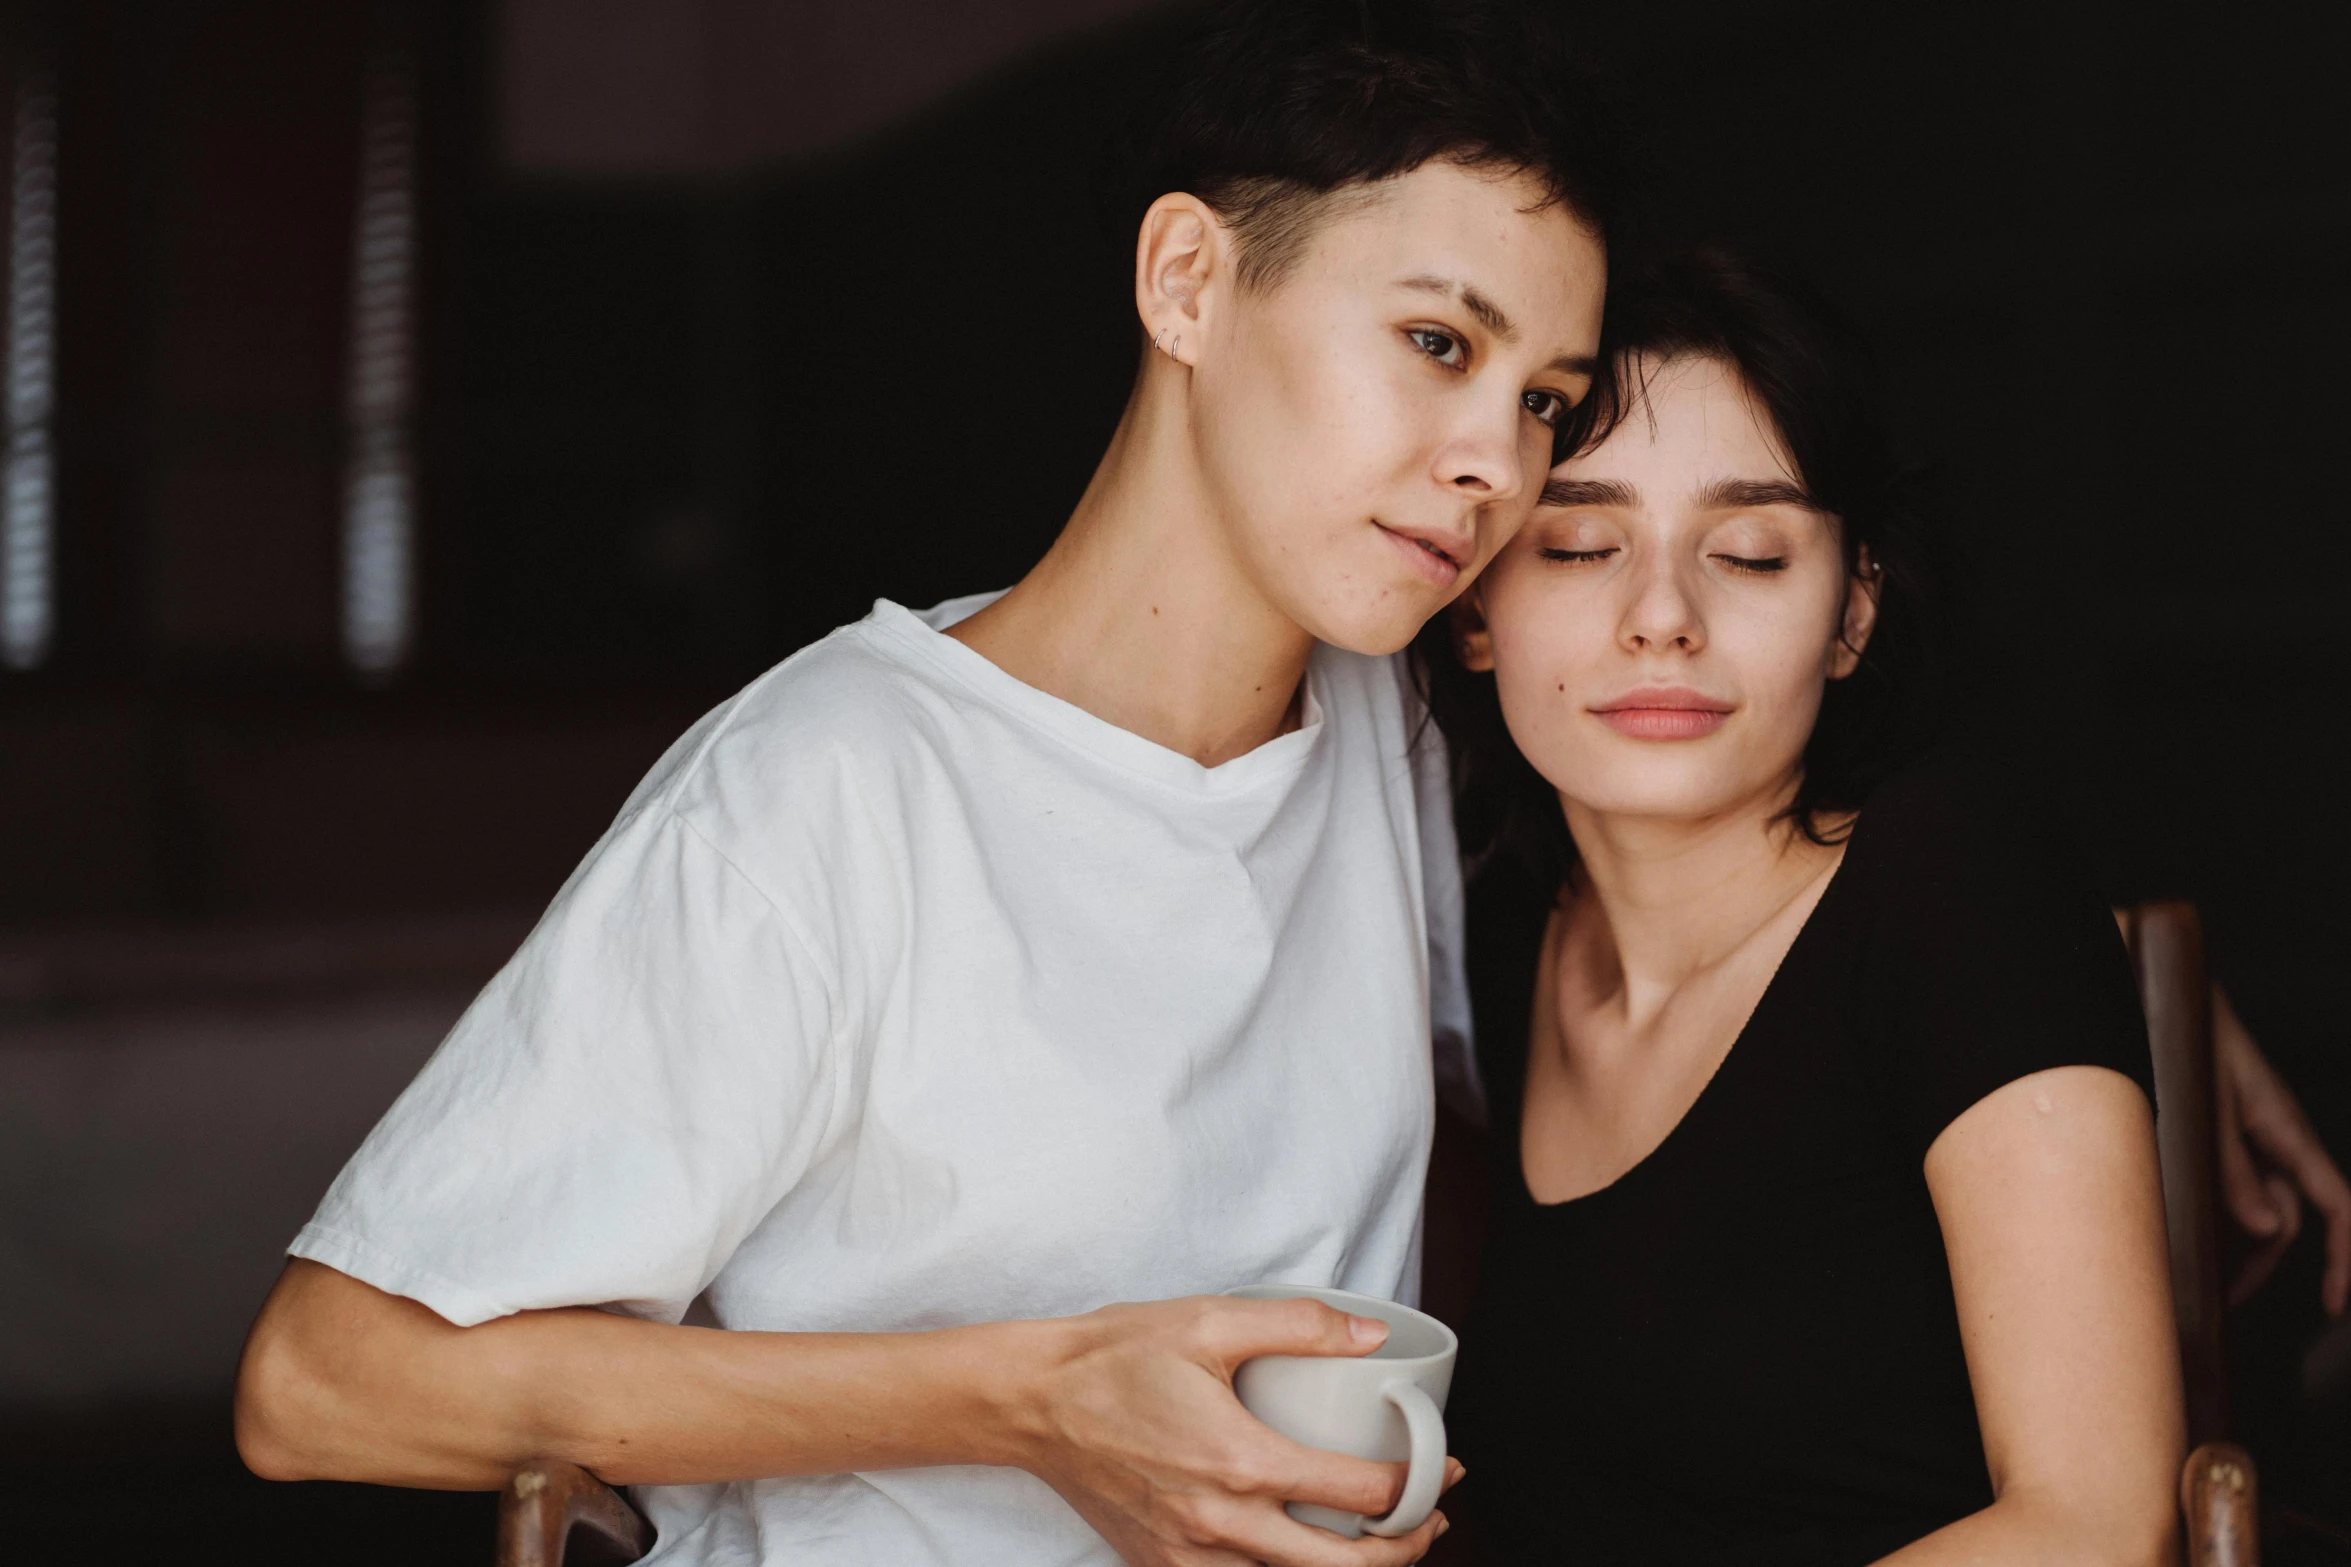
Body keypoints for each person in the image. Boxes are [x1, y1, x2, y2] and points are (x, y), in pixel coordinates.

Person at [232, 4, 1618, 1565]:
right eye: (1438, 343)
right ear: (1188, 282)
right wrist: (1027, 1404)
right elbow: (319, 1381)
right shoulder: (825, 790)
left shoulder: (1389, 725)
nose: (1494, 462)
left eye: (1544, 401)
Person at [1427, 249, 2185, 1562]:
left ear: (1852, 612)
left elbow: (2096, 1519)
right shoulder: (1493, 926)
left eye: (1750, 552)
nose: (1660, 614)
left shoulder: (1952, 885)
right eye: (1581, 542)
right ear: (1475, 605)